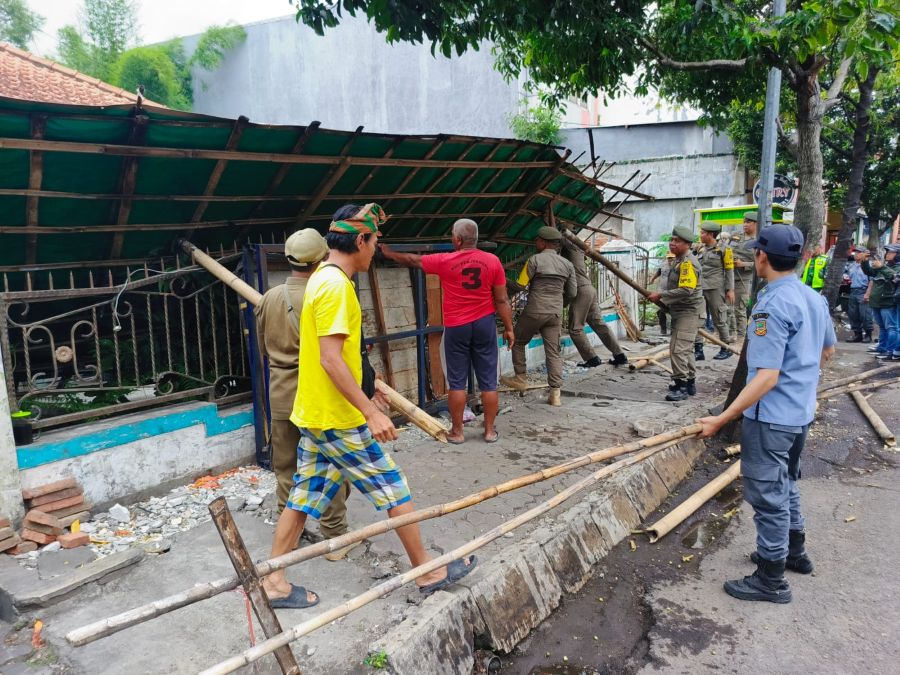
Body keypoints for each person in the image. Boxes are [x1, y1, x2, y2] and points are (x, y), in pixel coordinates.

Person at [262, 203, 476, 608]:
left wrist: (368, 387)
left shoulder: (322, 279)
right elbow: (329, 358)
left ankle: (273, 581)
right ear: (360, 239)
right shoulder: (337, 286)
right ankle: (427, 571)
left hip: (318, 415)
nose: (376, 250)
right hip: (337, 419)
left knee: (304, 497)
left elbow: (341, 357)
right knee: (394, 489)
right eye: (374, 241)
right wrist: (370, 411)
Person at [698, 223, 836, 604]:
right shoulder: (814, 299)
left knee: (768, 493)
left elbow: (766, 377)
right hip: (800, 413)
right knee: (787, 481)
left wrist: (723, 418)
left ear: (761, 256)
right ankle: (794, 552)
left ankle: (771, 579)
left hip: (771, 416)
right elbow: (827, 351)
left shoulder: (772, 305)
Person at [255, 229, 358, 561]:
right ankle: (336, 538)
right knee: (329, 468)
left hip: (280, 396)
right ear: (323, 256)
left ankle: (291, 538)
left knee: (285, 467)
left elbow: (262, 348)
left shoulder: (269, 298)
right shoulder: (325, 292)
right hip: (316, 397)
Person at [380, 219, 514, 444]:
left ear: (458, 240)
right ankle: (490, 432)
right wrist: (509, 328)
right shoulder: (493, 261)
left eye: (453, 235)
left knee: (456, 382)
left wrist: (389, 253)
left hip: (457, 327)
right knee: (489, 382)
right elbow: (501, 299)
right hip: (484, 324)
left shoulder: (445, 260)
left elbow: (413, 260)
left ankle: (458, 432)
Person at [502, 226, 577, 406]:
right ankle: (555, 394)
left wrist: (502, 282)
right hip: (555, 312)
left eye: (537, 240)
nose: (536, 243)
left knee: (518, 341)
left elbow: (520, 285)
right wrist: (561, 303)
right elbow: (573, 292)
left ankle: (520, 378)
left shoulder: (534, 260)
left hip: (535, 310)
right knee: (553, 351)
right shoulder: (567, 264)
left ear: (543, 242)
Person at [648, 226, 703, 401]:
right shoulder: (679, 260)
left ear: (687, 244)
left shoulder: (687, 263)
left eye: (677, 241)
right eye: (671, 240)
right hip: (681, 311)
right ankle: (689, 382)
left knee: (678, 350)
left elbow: (686, 289)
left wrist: (661, 295)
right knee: (685, 350)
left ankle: (682, 387)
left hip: (689, 312)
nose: (672, 243)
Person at [560, 234, 628, 367]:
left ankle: (592, 359)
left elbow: (556, 234)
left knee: (575, 328)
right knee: (599, 324)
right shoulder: (579, 248)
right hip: (589, 289)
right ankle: (620, 355)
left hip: (580, 290)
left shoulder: (569, 245)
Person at [693, 221, 734, 361]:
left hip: (716, 288)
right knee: (698, 318)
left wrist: (730, 289)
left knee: (719, 319)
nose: (701, 235)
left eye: (703, 233)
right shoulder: (700, 248)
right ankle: (698, 350)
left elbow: (729, 270)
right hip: (700, 288)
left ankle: (726, 347)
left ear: (710, 234)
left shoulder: (724, 249)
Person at [861, 244, 900, 360]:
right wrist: (865, 262)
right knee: (882, 327)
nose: (887, 254)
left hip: (888, 302)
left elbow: (895, 278)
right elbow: (870, 272)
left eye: (891, 252)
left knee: (892, 328)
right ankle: (882, 349)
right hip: (877, 302)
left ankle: (890, 351)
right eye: (887, 252)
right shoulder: (886, 265)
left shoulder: (896, 267)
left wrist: (881, 267)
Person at [728, 211, 758, 335]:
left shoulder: (759, 241)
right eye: (744, 222)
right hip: (729, 276)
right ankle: (730, 333)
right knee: (727, 307)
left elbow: (760, 263)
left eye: (748, 222)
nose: (745, 224)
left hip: (744, 279)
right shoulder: (735, 236)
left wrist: (743, 264)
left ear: (756, 224)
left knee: (739, 308)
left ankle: (741, 335)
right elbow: (727, 250)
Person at [846, 246, 874, 343]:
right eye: (855, 252)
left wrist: (868, 293)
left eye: (858, 253)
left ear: (864, 254)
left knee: (865, 314)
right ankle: (857, 334)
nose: (856, 254)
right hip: (853, 291)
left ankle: (868, 334)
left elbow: (872, 281)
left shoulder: (868, 265)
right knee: (853, 314)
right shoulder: (851, 266)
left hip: (863, 291)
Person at [649, 252, 676, 336]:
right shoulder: (663, 265)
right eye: (669, 258)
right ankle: (663, 329)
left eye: (671, 258)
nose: (670, 260)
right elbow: (658, 272)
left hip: (673, 292)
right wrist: (652, 279)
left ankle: (673, 330)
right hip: (662, 291)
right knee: (662, 311)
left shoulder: (677, 265)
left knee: (673, 311)